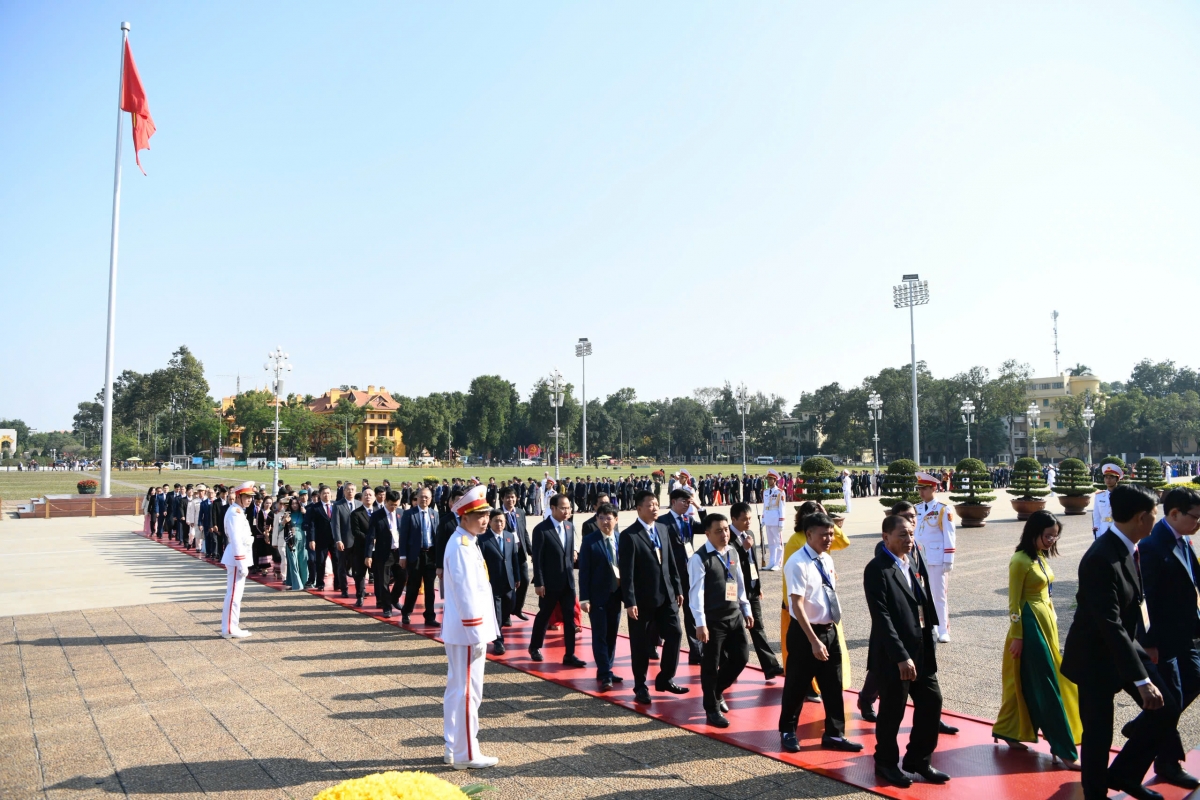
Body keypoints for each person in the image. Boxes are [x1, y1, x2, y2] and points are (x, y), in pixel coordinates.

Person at [1061, 484, 1180, 800]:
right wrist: (1142, 681)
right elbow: (1109, 624)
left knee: (1166, 708)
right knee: (1098, 732)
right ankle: (1095, 793)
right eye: (1154, 514)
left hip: (1125, 645)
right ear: (1141, 517)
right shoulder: (1101, 557)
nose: (1156, 521)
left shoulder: (1131, 547)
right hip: (1095, 656)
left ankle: (1125, 775)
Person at [864, 513, 949, 788]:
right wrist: (901, 656)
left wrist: (931, 634)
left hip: (920, 649)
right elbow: (882, 617)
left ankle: (918, 760)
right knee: (892, 711)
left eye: (911, 534)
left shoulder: (911, 560)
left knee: (932, 701)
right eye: (902, 535)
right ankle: (886, 763)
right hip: (894, 656)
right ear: (886, 537)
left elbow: (921, 602)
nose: (909, 539)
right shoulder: (877, 569)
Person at [991, 510, 1082, 769]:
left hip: (1046, 624)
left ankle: (1009, 730)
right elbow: (1014, 603)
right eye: (1048, 535)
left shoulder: (1039, 556)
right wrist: (1018, 636)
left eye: (1055, 536)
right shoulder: (1019, 560)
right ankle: (1064, 749)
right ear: (1034, 532)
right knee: (1047, 686)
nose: (1052, 540)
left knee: (1030, 683)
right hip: (1030, 628)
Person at [779, 512, 862, 752]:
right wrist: (814, 641)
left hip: (829, 630)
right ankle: (788, 730)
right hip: (806, 634)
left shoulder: (826, 559)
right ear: (809, 534)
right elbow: (797, 605)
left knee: (833, 685)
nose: (829, 539)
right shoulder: (797, 563)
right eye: (824, 535)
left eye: (831, 534)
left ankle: (835, 734)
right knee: (797, 685)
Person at [1135, 486, 1200, 791]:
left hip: (1185, 634)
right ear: (1174, 513)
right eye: (1195, 517)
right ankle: (1167, 762)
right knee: (1170, 700)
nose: (1198, 523)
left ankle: (1143, 723)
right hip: (1162, 640)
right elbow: (1144, 600)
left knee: (1194, 680)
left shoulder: (1182, 539)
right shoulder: (1152, 545)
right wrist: (1149, 643)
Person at [441, 486, 501, 770]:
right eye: (479, 515)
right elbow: (466, 593)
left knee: (458, 689)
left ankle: (454, 746)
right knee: (468, 691)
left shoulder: (465, 541)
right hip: (467, 632)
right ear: (464, 516)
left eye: (486, 514)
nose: (485, 519)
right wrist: (476, 633)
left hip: (464, 630)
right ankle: (466, 752)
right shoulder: (462, 545)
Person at [619, 489, 687, 705]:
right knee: (640, 644)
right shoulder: (629, 535)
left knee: (675, 633)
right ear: (639, 509)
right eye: (650, 505)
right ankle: (640, 685)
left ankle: (665, 677)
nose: (655, 508)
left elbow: (671, 561)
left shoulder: (663, 528)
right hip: (642, 601)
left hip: (667, 596)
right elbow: (627, 573)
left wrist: (678, 588)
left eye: (656, 504)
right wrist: (630, 601)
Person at [688, 513, 754, 728]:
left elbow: (739, 582)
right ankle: (712, 709)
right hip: (713, 621)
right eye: (718, 531)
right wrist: (700, 623)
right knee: (710, 665)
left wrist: (746, 608)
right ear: (707, 534)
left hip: (733, 616)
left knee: (741, 657)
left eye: (726, 529)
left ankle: (716, 691)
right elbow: (696, 593)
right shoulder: (699, 559)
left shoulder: (732, 551)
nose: (724, 534)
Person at [527, 494, 585, 667]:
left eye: (569, 508)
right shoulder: (541, 529)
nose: (567, 511)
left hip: (567, 582)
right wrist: (539, 582)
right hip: (549, 583)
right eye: (563, 508)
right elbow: (537, 559)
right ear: (552, 508)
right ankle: (535, 647)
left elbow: (570, 553)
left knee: (570, 618)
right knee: (544, 615)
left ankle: (570, 654)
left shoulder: (569, 526)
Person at [729, 502, 782, 680]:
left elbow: (753, 563)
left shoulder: (749, 534)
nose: (748, 522)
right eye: (744, 519)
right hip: (734, 591)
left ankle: (771, 666)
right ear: (734, 519)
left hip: (751, 590)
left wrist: (758, 586)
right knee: (733, 631)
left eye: (750, 518)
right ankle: (728, 667)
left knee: (757, 627)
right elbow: (730, 563)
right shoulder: (726, 536)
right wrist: (743, 549)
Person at [578, 503, 624, 690]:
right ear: (596, 520)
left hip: (616, 595)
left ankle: (607, 668)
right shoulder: (590, 541)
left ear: (616, 520)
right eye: (601, 518)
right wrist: (584, 598)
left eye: (609, 518)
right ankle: (605, 673)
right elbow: (584, 571)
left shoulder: (621, 539)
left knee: (612, 634)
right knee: (600, 635)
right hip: (597, 596)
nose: (605, 521)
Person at [660, 488, 705, 665]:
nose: (687, 504)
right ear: (673, 502)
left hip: (688, 572)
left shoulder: (688, 519)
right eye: (684, 501)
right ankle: (654, 640)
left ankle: (696, 653)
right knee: (667, 612)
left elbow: (706, 527)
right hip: (671, 573)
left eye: (689, 501)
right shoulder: (662, 521)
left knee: (691, 611)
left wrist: (699, 507)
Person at [914, 471, 956, 643]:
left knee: (939, 596)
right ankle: (928, 627)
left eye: (924, 488)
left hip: (936, 557)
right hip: (918, 558)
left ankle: (943, 629)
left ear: (933, 489)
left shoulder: (943, 509)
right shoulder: (916, 508)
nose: (921, 492)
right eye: (919, 489)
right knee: (921, 595)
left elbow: (949, 534)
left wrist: (948, 559)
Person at [478, 509, 521, 655]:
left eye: (502, 521)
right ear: (490, 522)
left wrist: (517, 577)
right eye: (496, 521)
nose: (499, 524)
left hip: (508, 580)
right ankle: (498, 640)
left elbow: (514, 558)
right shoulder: (483, 539)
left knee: (510, 605)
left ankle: (496, 627)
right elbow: (480, 562)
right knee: (496, 612)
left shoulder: (509, 536)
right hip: (492, 582)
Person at [220, 481, 257, 639]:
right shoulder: (235, 513)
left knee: (235, 595)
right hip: (236, 558)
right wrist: (242, 563)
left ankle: (232, 626)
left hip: (238, 557)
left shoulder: (239, 511)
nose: (249, 499)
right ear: (239, 497)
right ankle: (229, 628)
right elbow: (236, 540)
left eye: (251, 497)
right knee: (234, 595)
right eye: (246, 496)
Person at [399, 487, 440, 625]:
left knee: (430, 588)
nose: (424, 499)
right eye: (421, 497)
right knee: (413, 586)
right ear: (417, 498)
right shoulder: (409, 514)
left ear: (431, 499)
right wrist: (403, 556)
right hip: (415, 556)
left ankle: (430, 617)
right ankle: (406, 612)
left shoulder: (434, 514)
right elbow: (403, 536)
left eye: (427, 497)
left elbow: (437, 536)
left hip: (430, 555)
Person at [365, 490, 404, 618]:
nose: (393, 507)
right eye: (391, 504)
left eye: (396, 505)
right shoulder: (377, 515)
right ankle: (387, 607)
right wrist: (368, 555)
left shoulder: (401, 513)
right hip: (383, 553)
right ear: (386, 501)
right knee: (384, 582)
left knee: (403, 577)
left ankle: (394, 598)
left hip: (399, 552)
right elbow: (371, 536)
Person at [500, 487, 533, 621]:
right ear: (502, 498)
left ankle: (517, 609)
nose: (510, 500)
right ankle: (506, 614)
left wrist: (531, 551)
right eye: (507, 497)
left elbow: (524, 532)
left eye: (513, 497)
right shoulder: (498, 514)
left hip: (519, 553)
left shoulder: (520, 512)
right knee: (508, 585)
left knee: (524, 581)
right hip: (506, 555)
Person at [347, 489, 375, 607]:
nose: (368, 497)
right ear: (362, 498)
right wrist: (371, 539)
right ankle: (360, 596)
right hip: (361, 548)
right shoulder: (356, 513)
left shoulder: (379, 512)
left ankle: (380, 599)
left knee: (378, 574)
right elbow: (356, 531)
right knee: (360, 574)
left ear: (374, 497)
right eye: (365, 495)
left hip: (376, 549)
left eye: (370, 495)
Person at [306, 486, 336, 590]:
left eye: (328, 493)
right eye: (324, 493)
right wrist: (312, 539)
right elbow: (312, 525)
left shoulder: (336, 506)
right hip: (321, 539)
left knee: (337, 561)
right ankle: (320, 583)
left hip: (334, 539)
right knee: (320, 562)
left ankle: (338, 583)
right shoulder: (315, 508)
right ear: (320, 495)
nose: (326, 495)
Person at [330, 482, 355, 598]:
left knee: (358, 567)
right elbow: (336, 525)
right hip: (344, 541)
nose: (350, 492)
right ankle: (344, 589)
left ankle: (360, 590)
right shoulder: (338, 505)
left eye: (352, 489)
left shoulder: (359, 504)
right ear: (344, 491)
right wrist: (338, 540)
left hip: (357, 542)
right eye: (348, 489)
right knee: (342, 567)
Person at [762, 469, 786, 570]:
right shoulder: (765, 492)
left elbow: (782, 508)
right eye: (768, 479)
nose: (768, 481)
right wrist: (763, 519)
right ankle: (772, 562)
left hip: (776, 519)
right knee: (771, 543)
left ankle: (778, 563)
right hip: (768, 519)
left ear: (775, 480)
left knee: (778, 543)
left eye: (770, 479)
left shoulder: (780, 492)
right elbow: (765, 506)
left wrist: (781, 522)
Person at [1092, 463, 1122, 538]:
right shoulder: (1099, 496)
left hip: (1118, 530)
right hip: (1103, 529)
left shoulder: (1123, 495)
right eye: (1106, 477)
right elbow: (1096, 515)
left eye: (1111, 477)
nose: (1108, 480)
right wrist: (1097, 531)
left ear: (1117, 479)